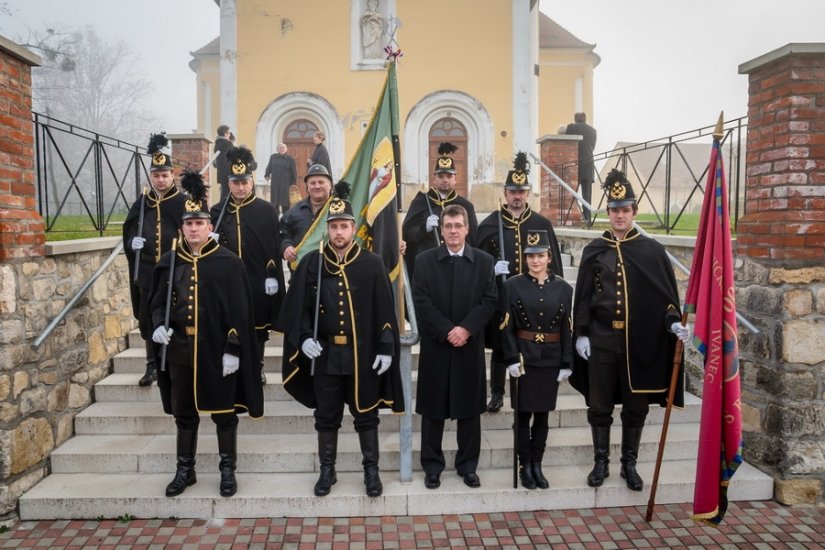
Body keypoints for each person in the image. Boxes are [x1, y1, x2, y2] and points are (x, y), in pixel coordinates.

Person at [275, 181, 404, 498]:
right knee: (326, 416)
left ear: (353, 227)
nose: (338, 232)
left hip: (363, 355)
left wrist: (387, 347)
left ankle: (370, 472)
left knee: (366, 414)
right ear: (327, 229)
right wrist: (304, 337)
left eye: (344, 226)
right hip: (326, 355)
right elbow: (298, 310)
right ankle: (327, 471)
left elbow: (386, 312)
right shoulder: (312, 264)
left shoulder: (371, 264)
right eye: (333, 226)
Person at [571, 168, 691, 492]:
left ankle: (629, 464)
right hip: (602, 338)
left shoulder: (651, 251)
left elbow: (665, 299)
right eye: (614, 210)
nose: (619, 215)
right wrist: (581, 332)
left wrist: (673, 323)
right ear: (607, 213)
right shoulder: (594, 249)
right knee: (599, 405)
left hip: (639, 342)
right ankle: (600, 462)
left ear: (634, 212)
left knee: (636, 406)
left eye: (625, 210)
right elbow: (583, 296)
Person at [149, 169, 263, 498]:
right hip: (181, 351)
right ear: (182, 227)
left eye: (200, 223)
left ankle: (228, 471)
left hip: (217, 351)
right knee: (185, 415)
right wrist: (158, 326)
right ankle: (185, 470)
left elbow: (241, 313)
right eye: (189, 223)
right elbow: (157, 304)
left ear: (209, 227)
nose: (194, 228)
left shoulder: (228, 263)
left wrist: (234, 348)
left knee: (224, 415)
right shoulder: (170, 262)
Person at [412, 204, 497, 490]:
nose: (452, 231)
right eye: (448, 226)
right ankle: (432, 466)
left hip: (469, 346)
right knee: (433, 410)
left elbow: (489, 300)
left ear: (467, 228)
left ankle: (467, 466)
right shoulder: (424, 261)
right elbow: (421, 301)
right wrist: (448, 330)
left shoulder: (484, 262)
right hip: (437, 346)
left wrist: (466, 329)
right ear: (442, 228)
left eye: (458, 226)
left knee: (470, 410)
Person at [476, 152, 565, 413]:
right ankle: (497, 392)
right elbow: (477, 263)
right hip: (501, 296)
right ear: (505, 192)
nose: (517, 196)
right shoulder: (491, 223)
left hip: (532, 297)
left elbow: (554, 265)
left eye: (522, 191)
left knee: (527, 344)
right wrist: (491, 269)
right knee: (501, 344)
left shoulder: (540, 224)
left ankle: (526, 389)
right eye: (513, 191)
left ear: (528, 194)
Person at [499, 229, 573, 490]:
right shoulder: (511, 285)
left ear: (549, 257)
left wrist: (567, 362)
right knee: (522, 416)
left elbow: (567, 328)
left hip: (551, 360)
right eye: (531, 256)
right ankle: (524, 465)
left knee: (542, 417)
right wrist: (510, 358)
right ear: (525, 258)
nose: (535, 261)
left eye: (540, 255)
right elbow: (505, 326)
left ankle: (537, 465)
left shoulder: (564, 288)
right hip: (523, 358)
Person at [210, 146, 285, 385]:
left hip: (257, 278)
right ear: (229, 183)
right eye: (235, 182)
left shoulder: (266, 210)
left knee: (257, 327)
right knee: (229, 322)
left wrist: (272, 273)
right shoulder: (217, 211)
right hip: (226, 281)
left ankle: (257, 366)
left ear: (251, 182)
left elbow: (273, 245)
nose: (240, 187)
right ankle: (233, 362)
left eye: (244, 182)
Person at [123, 133, 187, 387]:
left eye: (165, 175)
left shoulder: (182, 202)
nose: (160, 180)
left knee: (177, 315)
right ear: (151, 177)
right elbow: (128, 232)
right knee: (148, 317)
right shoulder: (142, 203)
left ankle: (174, 360)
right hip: (148, 270)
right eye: (156, 175)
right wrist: (131, 243)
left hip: (175, 269)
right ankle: (151, 364)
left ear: (173, 175)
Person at [402, 142, 478, 281]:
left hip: (458, 267)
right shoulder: (420, 202)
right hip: (428, 269)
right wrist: (424, 228)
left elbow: (473, 241)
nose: (445, 180)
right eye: (441, 176)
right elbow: (407, 236)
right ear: (434, 178)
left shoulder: (465, 206)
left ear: (455, 178)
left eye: (449, 176)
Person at [280, 163, 333, 266]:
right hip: (300, 271)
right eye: (312, 183)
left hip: (331, 271)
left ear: (330, 185)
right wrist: (286, 247)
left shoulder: (339, 209)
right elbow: (284, 234)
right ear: (307, 187)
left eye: (321, 182)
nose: (317, 186)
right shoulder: (294, 212)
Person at [565, 113, 597, 223]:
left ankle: (570, 214)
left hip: (574, 163)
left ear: (575, 119)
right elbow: (592, 146)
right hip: (588, 162)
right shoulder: (592, 131)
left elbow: (567, 143)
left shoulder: (570, 128)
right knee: (587, 192)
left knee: (570, 191)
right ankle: (587, 217)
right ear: (585, 119)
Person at [264, 142, 297, 216]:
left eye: (283, 148)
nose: (282, 149)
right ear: (277, 149)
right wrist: (267, 174)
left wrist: (293, 184)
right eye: (280, 148)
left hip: (286, 184)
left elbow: (294, 172)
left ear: (286, 149)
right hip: (275, 183)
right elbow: (269, 167)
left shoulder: (290, 159)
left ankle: (286, 217)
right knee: (275, 202)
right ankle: (275, 217)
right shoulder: (273, 157)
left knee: (285, 202)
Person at [213, 124, 233, 203]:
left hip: (221, 173)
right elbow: (232, 157)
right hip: (229, 173)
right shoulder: (227, 144)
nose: (230, 134)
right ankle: (223, 211)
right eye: (228, 133)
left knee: (224, 193)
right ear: (225, 133)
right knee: (227, 195)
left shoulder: (217, 144)